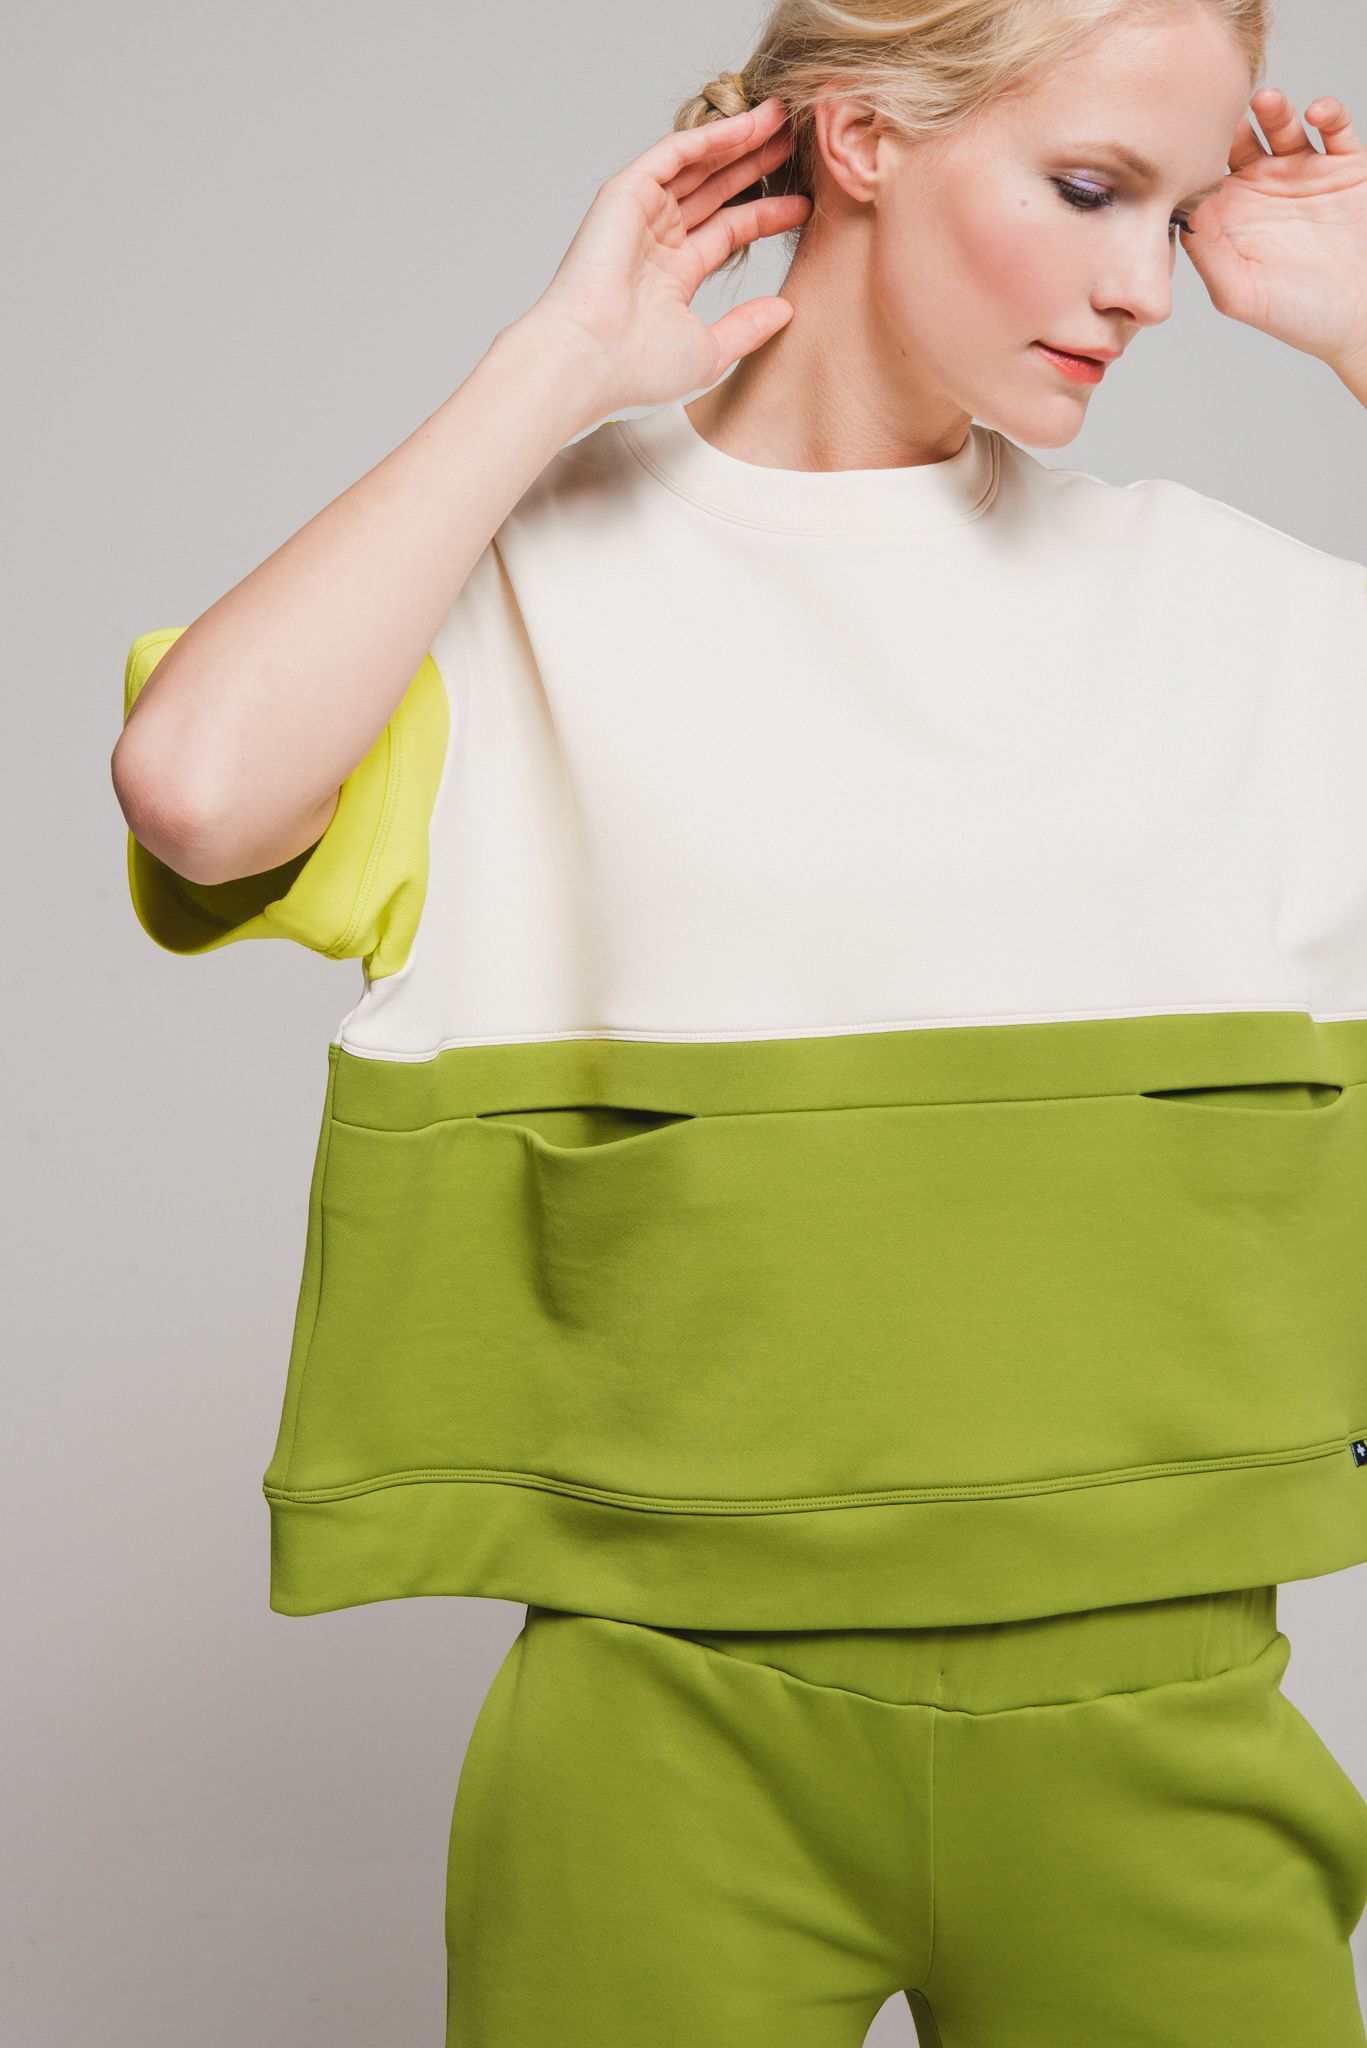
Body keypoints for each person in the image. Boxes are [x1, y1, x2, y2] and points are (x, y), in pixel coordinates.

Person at [110, 0, 1367, 2040]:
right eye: (1088, 190)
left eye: (1178, 211)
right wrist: (549, 368)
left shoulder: (1248, 624)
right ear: (861, 141)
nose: (1148, 284)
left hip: (1166, 1702)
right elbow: (198, 787)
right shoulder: (515, 593)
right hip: (653, 1720)